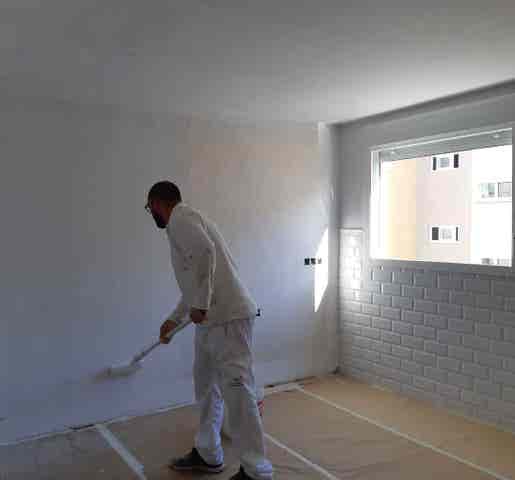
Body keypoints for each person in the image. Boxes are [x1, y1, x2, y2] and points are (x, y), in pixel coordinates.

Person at [145, 181, 273, 480]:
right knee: (205, 386)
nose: (152, 214)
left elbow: (206, 253)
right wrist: (174, 319)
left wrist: (200, 304)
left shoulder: (181, 218)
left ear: (158, 203)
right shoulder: (184, 223)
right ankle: (208, 453)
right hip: (211, 321)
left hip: (227, 318)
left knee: (237, 392)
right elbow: (196, 282)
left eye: (150, 208)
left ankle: (257, 471)